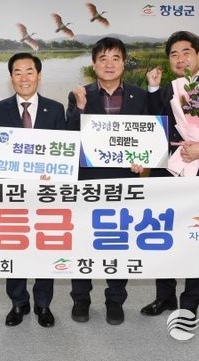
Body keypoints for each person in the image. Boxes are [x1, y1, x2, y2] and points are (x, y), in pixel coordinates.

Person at [141, 30, 199, 319]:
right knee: (164, 236)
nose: (180, 59)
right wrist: (153, 89)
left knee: (197, 238)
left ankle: (190, 304)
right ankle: (164, 297)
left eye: (186, 52)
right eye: (174, 54)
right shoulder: (166, 90)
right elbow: (152, 124)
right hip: (167, 173)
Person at [0, 52, 65, 328]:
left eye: (30, 72)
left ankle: (43, 304)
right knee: (14, 248)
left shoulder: (56, 109)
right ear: (11, 77)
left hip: (45, 193)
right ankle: (18, 302)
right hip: (12, 193)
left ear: (39, 75)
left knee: (44, 248)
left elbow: (63, 150)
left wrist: (54, 173)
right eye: (18, 72)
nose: (24, 78)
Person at [66, 37, 148, 326]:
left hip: (124, 181)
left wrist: (144, 159)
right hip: (87, 181)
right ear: (93, 64)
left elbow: (148, 137)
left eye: (115, 58)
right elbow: (68, 138)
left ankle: (115, 299)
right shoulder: (79, 93)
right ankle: (81, 298)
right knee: (84, 241)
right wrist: (80, 107)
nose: (109, 64)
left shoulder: (140, 96)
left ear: (124, 62)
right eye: (103, 58)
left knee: (118, 241)